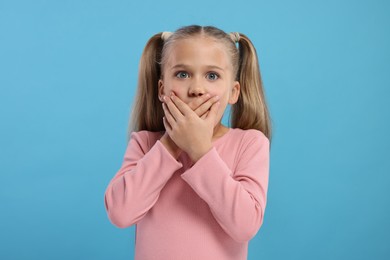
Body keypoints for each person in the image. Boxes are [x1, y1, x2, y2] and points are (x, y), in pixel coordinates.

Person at [104, 25, 272, 260]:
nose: (196, 89)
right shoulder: (145, 143)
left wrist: (201, 150)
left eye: (212, 76)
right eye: (182, 74)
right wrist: (172, 144)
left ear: (233, 93)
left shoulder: (250, 144)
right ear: (162, 89)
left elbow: (245, 226)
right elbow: (120, 213)